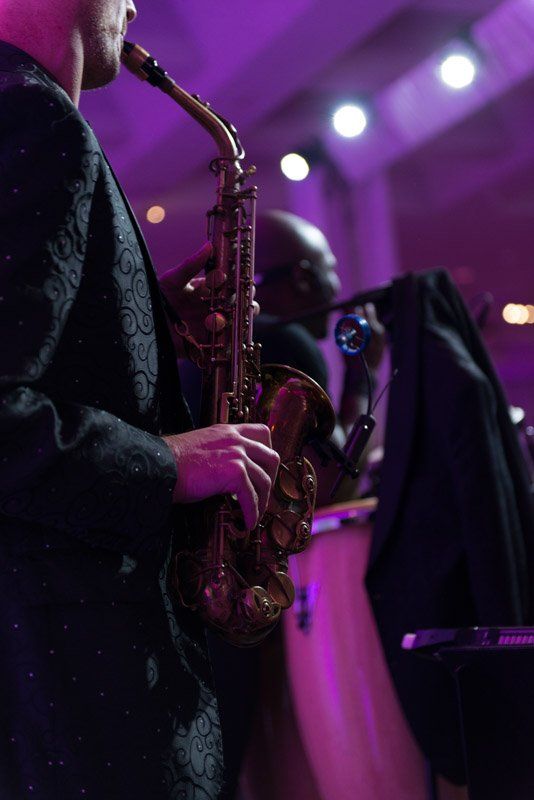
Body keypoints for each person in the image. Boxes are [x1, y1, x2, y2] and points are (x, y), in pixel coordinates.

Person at [0, 2, 279, 798]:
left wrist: (148, 318)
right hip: (76, 691)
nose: (131, 5)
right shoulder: (30, 115)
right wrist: (163, 463)